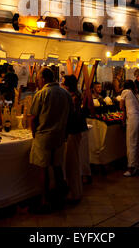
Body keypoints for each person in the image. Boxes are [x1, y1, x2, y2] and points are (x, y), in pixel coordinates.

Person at [29, 67, 73, 213]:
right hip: (60, 136)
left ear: (43, 79)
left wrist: (34, 133)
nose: (38, 82)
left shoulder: (41, 94)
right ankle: (60, 198)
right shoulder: (65, 93)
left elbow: (33, 117)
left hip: (44, 137)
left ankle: (44, 200)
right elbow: (70, 114)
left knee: (44, 169)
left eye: (39, 79)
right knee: (57, 167)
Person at [63, 74, 88, 203]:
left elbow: (71, 115)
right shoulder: (76, 95)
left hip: (73, 130)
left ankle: (75, 193)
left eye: (63, 83)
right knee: (73, 162)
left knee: (72, 163)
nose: (62, 85)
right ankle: (75, 191)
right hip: (75, 130)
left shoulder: (73, 97)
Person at [120, 80, 139, 176]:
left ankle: (131, 167)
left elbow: (121, 106)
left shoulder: (125, 92)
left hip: (133, 119)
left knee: (131, 143)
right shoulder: (137, 95)